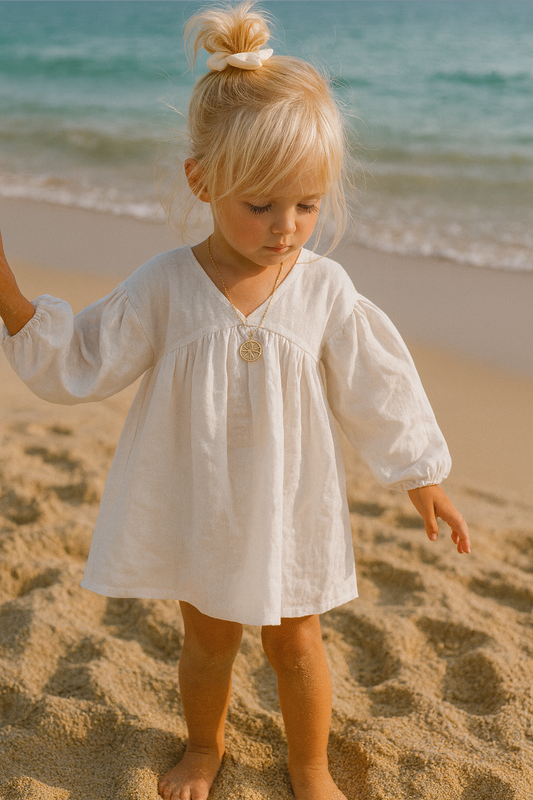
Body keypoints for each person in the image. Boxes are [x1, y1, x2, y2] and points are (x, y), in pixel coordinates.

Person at [0, 3, 470, 799]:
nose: (287, 228)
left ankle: (310, 765)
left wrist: (420, 473)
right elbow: (80, 359)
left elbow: (376, 384)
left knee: (297, 646)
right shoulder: (164, 285)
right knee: (208, 643)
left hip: (291, 505)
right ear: (201, 179)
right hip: (202, 502)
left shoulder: (323, 289)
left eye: (307, 204)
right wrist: (9, 296)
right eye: (261, 205)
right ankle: (204, 748)